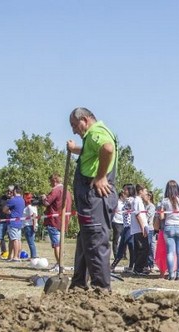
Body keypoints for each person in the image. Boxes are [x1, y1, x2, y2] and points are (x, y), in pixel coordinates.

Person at [67, 107, 118, 290]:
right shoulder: (91, 137)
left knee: (95, 241)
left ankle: (101, 290)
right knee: (85, 239)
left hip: (95, 198)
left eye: (74, 125)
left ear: (85, 120)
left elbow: (107, 148)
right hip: (89, 200)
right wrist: (74, 150)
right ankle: (79, 284)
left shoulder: (96, 132)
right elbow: (91, 152)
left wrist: (101, 176)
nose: (73, 130)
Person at [159, 180, 179, 280]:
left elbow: (162, 217)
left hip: (169, 227)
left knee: (170, 252)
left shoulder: (164, 201)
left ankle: (171, 274)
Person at [42, 172, 72, 270]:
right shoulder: (67, 191)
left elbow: (47, 203)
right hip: (63, 221)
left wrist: (43, 198)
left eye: (50, 181)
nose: (50, 183)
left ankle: (60, 265)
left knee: (56, 244)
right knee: (60, 243)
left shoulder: (56, 190)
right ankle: (60, 263)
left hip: (54, 220)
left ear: (54, 180)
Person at [125, 184, 150, 275]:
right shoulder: (137, 201)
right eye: (145, 191)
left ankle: (140, 268)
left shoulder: (139, 201)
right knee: (143, 249)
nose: (146, 193)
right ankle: (138, 269)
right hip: (139, 229)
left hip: (140, 228)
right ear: (141, 191)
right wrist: (143, 228)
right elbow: (137, 215)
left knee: (142, 249)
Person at [4, 185, 25, 262]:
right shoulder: (22, 200)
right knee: (18, 240)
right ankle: (16, 256)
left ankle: (15, 257)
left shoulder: (13, 200)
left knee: (14, 240)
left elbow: (4, 209)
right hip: (19, 222)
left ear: (15, 191)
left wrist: (8, 212)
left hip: (13, 222)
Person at [22, 193, 39, 259]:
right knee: (31, 242)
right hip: (29, 225)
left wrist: (34, 225)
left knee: (31, 242)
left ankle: (34, 256)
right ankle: (33, 255)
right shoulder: (31, 206)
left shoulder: (30, 206)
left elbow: (34, 215)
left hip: (29, 226)